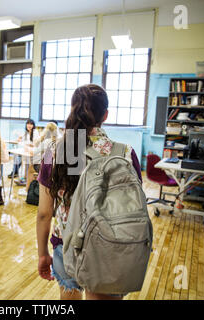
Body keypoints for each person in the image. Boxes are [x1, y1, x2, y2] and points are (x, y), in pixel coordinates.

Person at [36, 84, 142, 300]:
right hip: (109, 249)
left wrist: (42, 254)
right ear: (105, 115)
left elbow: (44, 213)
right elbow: (136, 207)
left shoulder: (51, 152)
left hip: (65, 245)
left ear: (72, 109)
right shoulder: (126, 153)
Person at [25, 122, 58, 191]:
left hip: (49, 169)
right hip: (56, 168)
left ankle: (28, 190)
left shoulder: (46, 141)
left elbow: (34, 152)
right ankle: (36, 188)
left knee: (31, 168)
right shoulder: (59, 140)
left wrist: (27, 148)